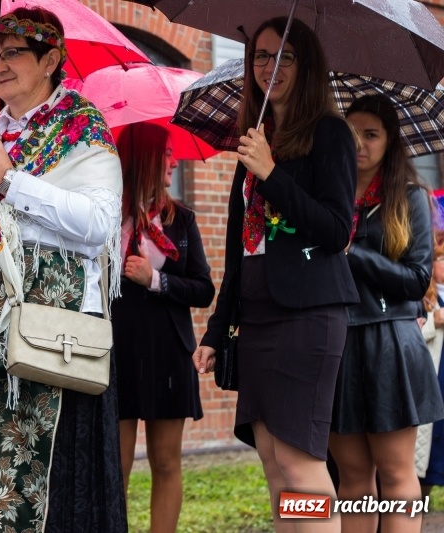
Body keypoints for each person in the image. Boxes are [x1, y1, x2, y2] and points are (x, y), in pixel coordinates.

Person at [0, 7, 126, 532]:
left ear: (52, 59)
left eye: (13, 52)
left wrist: (11, 181)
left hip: (47, 329)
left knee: (37, 468)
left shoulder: (82, 127)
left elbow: (100, 225)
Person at [192, 17, 359, 533]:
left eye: (283, 56)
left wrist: (271, 173)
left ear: (305, 65)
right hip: (259, 318)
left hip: (308, 315)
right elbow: (238, 253)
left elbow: (335, 230)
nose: (269, 67)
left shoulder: (330, 135)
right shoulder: (254, 144)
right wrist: (218, 332)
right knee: (270, 457)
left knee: (299, 460)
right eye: (261, 57)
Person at [329, 94, 444, 533]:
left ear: (390, 140)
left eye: (371, 134)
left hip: (390, 341)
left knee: (398, 476)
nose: (360, 143)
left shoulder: (410, 197)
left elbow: (416, 281)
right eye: (352, 133)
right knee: (352, 478)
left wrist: (351, 251)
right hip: (338, 339)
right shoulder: (328, 197)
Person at [112, 122, 214, 532]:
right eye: (167, 152)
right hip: (116, 350)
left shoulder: (181, 219)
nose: (175, 160)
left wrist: (155, 280)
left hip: (168, 351)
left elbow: (204, 289)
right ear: (144, 158)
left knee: (167, 461)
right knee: (114, 465)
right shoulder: (105, 217)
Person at [418, 234, 444, 498]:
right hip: (432, 388)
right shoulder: (423, 296)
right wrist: (433, 323)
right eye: (441, 259)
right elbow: (408, 333)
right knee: (422, 467)